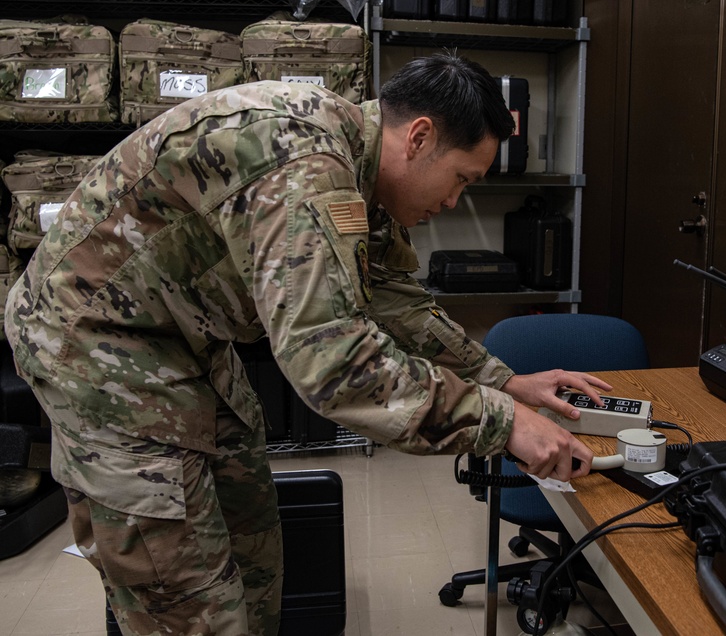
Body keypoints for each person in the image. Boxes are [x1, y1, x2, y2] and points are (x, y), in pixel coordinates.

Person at [4, 52, 610, 635]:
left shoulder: (359, 166)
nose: (453, 202)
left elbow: (392, 299)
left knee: (253, 543)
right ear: (419, 137)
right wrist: (504, 423)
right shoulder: (305, 162)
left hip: (181, 338)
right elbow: (335, 366)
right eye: (460, 180)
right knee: (183, 594)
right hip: (93, 342)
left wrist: (501, 380)